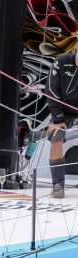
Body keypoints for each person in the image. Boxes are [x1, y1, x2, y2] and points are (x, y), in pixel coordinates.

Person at [47, 51, 78, 199]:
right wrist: (58, 119)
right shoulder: (61, 61)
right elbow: (51, 91)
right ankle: (58, 185)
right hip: (63, 110)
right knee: (56, 135)